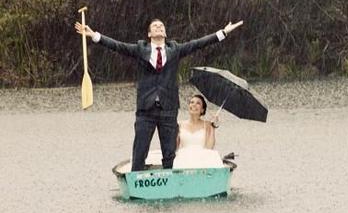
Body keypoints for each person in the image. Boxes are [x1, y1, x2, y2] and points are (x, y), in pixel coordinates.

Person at [74, 18, 243, 171]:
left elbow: (197, 44)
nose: (159, 27)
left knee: (169, 152)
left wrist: (222, 33)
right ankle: (136, 183)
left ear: (165, 33)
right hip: (145, 110)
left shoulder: (175, 49)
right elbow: (118, 46)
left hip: (168, 109)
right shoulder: (141, 49)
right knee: (140, 150)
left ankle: (170, 184)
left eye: (161, 26)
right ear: (149, 34)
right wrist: (95, 35)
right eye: (155, 26)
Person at [173, 94, 223, 169]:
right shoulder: (180, 124)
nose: (194, 105)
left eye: (198, 103)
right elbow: (174, 147)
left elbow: (209, 148)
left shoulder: (207, 125)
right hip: (183, 159)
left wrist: (213, 127)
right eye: (191, 102)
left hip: (201, 159)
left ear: (202, 110)